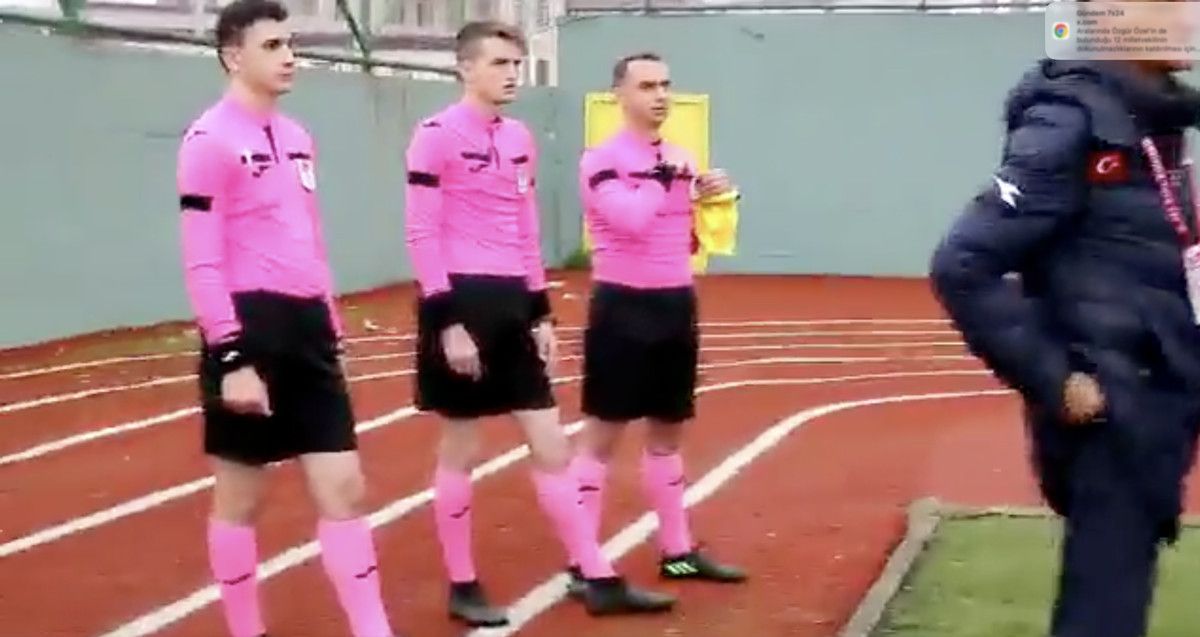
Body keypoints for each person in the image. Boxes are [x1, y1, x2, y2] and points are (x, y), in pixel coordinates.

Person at [402, 21, 676, 628]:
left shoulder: (520, 137)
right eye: (498, 63)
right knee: (461, 446)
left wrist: (539, 313)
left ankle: (595, 574)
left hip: (511, 304)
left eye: (516, 64)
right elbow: (421, 232)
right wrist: (447, 322)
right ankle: (462, 583)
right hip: (460, 299)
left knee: (552, 444)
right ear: (465, 68)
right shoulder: (433, 136)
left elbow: (526, 229)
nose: (511, 74)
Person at [929, 43, 1200, 637]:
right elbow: (963, 264)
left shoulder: (1152, 117)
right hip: (1113, 401)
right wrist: (1058, 380)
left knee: (1119, 588)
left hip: (1158, 389)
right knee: (1104, 607)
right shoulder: (1069, 119)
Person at [176, 1, 395, 635]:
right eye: (273, 46)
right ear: (233, 56)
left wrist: (331, 319)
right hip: (249, 330)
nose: (290, 56)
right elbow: (201, 259)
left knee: (344, 488)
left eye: (290, 43)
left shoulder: (298, 137)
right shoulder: (207, 141)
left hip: (308, 330)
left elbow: (310, 235)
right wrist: (231, 356)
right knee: (241, 500)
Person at [567, 52, 747, 596]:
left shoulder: (680, 158)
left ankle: (678, 552)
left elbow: (691, 238)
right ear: (620, 95)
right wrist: (665, 179)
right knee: (602, 436)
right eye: (646, 86)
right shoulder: (600, 159)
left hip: (674, 302)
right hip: (622, 305)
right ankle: (582, 562)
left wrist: (711, 197)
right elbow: (630, 219)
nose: (660, 95)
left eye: (665, 84)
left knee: (668, 434)